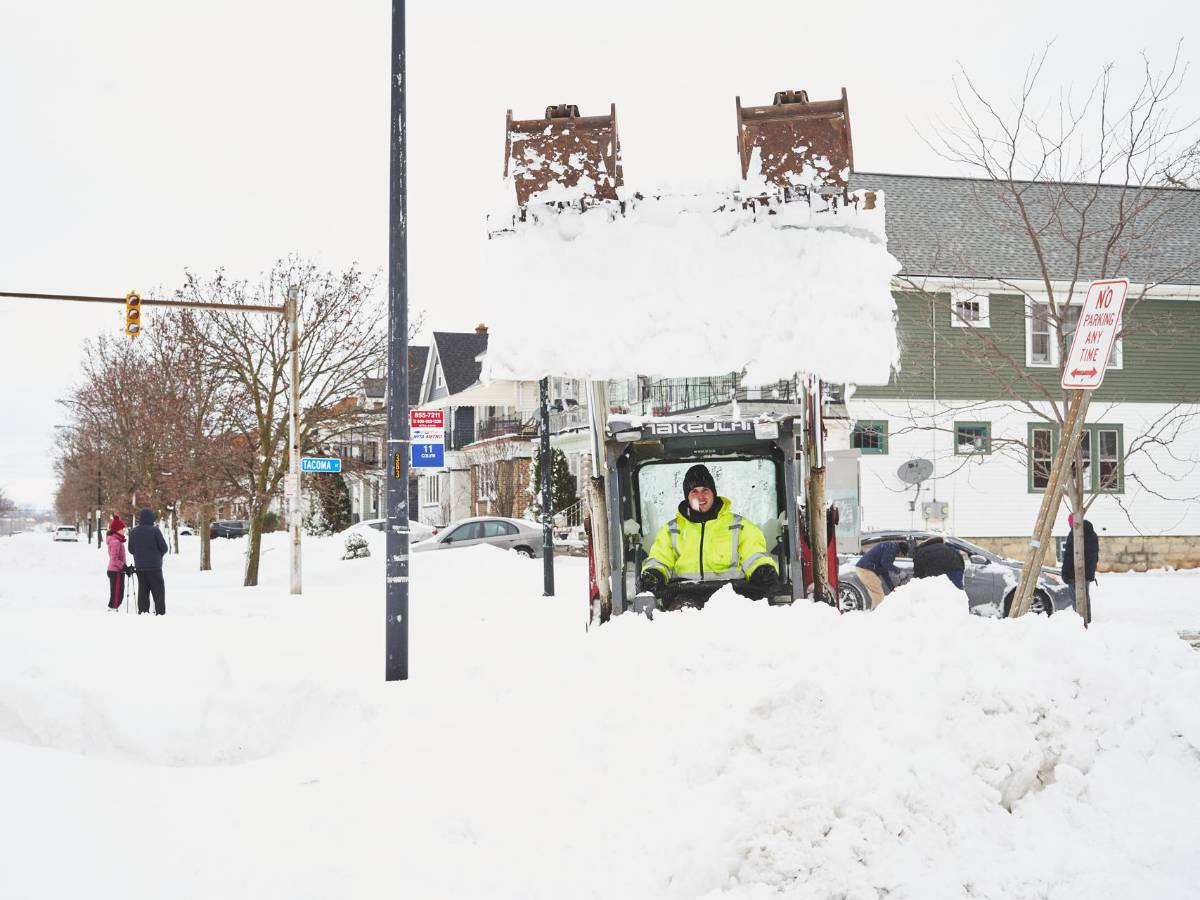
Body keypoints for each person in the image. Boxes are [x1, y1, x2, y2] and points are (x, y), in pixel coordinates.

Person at [639, 464, 778, 599]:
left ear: (713, 493)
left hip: (732, 594)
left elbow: (753, 554)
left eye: (705, 490)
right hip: (685, 593)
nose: (701, 497)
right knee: (683, 611)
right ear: (687, 497)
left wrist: (761, 570)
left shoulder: (739, 526)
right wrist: (654, 574)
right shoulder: (672, 530)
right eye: (694, 491)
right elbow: (660, 558)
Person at [128, 507, 169, 615]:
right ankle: (160, 613)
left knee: (143, 591)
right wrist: (158, 555)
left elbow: (131, 549)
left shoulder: (133, 532)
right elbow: (164, 548)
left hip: (140, 567)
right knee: (158, 592)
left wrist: (139, 554)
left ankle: (143, 612)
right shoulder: (155, 531)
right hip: (155, 567)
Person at [853, 539, 910, 609]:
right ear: (900, 551)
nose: (899, 556)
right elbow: (885, 563)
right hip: (865, 569)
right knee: (878, 595)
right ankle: (877, 613)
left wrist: (892, 589)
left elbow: (885, 572)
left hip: (864, 569)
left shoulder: (890, 549)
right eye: (901, 555)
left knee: (876, 594)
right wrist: (899, 571)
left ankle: (875, 611)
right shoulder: (892, 548)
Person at [1062, 513, 1099, 617]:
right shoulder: (1092, 534)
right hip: (1087, 573)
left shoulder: (1075, 534)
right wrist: (1090, 571)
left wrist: (1065, 574)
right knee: (1085, 598)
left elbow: (1069, 556)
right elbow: (1095, 556)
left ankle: (1080, 622)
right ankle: (1087, 619)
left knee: (1076, 599)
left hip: (1074, 573)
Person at [105, 514, 131, 610]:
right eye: (122, 529)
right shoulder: (115, 542)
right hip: (116, 572)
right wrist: (124, 567)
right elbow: (114, 559)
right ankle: (112, 611)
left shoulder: (116, 541)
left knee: (118, 594)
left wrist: (125, 568)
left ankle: (113, 609)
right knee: (117, 596)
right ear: (117, 530)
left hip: (117, 571)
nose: (124, 530)